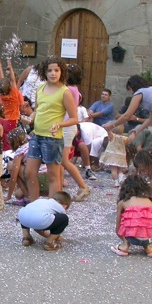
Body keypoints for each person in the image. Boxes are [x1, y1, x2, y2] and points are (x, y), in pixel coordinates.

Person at [25, 56, 78, 200]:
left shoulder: (64, 92)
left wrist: (59, 124)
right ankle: (34, 206)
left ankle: (52, 208)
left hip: (53, 139)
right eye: (49, 70)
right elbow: (37, 110)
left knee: (53, 176)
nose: (53, 73)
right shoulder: (40, 88)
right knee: (29, 173)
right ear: (44, 72)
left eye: (56, 70)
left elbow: (74, 118)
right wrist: (29, 118)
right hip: (37, 136)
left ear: (62, 72)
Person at [61, 63, 92, 201]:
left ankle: (83, 186)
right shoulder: (75, 89)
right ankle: (59, 186)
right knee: (61, 160)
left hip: (67, 126)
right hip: (67, 126)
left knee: (64, 160)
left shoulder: (69, 89)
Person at [111, 175, 152, 257]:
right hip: (151, 238)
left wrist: (123, 238)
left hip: (131, 238)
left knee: (130, 223)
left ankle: (125, 246)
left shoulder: (123, 202)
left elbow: (118, 227)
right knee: (145, 223)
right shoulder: (149, 201)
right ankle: (148, 248)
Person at [0, 58, 22, 150]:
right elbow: (13, 79)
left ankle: (2, 154)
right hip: (12, 121)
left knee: (1, 139)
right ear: (10, 86)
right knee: (9, 141)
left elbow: (1, 80)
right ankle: (8, 155)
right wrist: (10, 67)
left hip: (1, 120)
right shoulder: (14, 93)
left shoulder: (1, 94)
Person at [3, 128, 31, 204]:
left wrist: (8, 196)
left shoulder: (20, 151)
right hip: (43, 175)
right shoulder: (30, 144)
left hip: (35, 177)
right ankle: (28, 195)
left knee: (11, 165)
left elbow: (13, 177)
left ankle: (29, 197)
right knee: (18, 195)